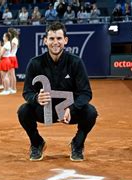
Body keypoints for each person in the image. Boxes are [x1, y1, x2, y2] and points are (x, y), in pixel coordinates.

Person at [17, 22, 97, 162]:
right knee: (23, 111)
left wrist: (71, 109)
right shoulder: (35, 63)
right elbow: (27, 92)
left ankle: (77, 145)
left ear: (65, 40)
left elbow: (86, 93)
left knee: (90, 112)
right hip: (45, 111)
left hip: (68, 112)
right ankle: (37, 143)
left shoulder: (75, 62)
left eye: (59, 39)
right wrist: (36, 98)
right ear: (45, 41)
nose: (55, 42)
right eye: (52, 39)